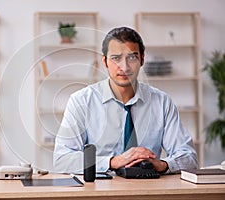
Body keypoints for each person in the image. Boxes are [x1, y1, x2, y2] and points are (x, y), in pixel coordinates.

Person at [53, 26, 198, 174]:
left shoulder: (161, 102)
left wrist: (161, 165)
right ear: (105, 61)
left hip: (149, 190)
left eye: (132, 57)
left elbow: (189, 157)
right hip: (100, 193)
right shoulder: (81, 101)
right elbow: (62, 160)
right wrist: (112, 162)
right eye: (116, 58)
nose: (124, 67)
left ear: (142, 59)